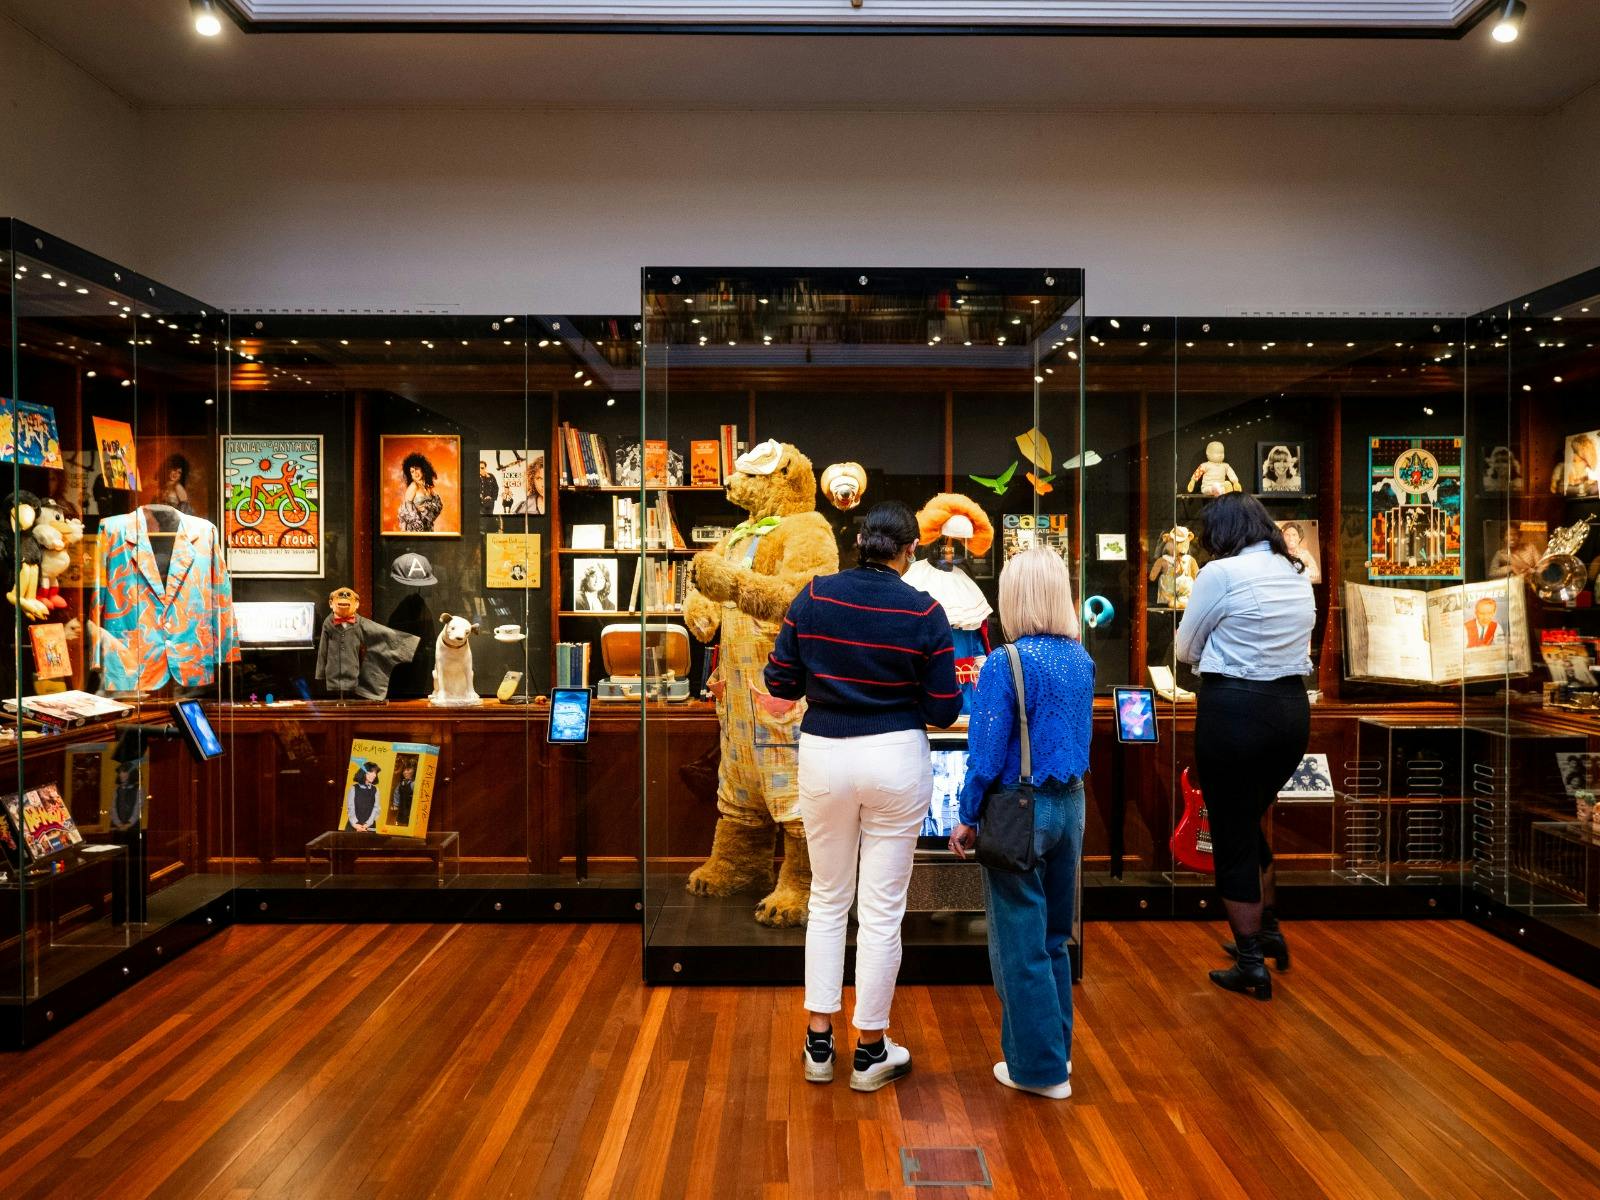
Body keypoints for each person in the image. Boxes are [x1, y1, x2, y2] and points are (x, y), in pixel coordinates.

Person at [763, 501, 962, 1092]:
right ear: (911, 551)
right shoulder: (925, 610)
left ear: (858, 542)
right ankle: (871, 1049)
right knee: (881, 911)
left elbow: (779, 681)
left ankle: (818, 1042)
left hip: (824, 752)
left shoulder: (814, 596)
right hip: (896, 757)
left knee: (827, 899)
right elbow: (944, 709)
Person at [947, 549, 1094, 1101]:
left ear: (1014, 597)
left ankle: (1039, 1071)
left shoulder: (1003, 662)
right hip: (1072, 806)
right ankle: (1057, 1052)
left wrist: (966, 816)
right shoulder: (1081, 659)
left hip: (1019, 811)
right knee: (1055, 939)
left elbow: (985, 754)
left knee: (1020, 946)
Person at [1175, 492, 1314, 1000]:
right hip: (1290, 712)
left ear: (1224, 531)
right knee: (1248, 818)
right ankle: (1269, 931)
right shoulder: (1296, 571)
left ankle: (1252, 964)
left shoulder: (1221, 573)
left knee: (1231, 833)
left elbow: (1184, 649)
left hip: (1234, 711)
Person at [398, 452, 443, 532]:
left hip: (428, 528)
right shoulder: (413, 486)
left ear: (423, 469)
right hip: (415, 530)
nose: (415, 473)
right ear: (410, 475)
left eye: (417, 469)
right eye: (412, 471)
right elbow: (406, 513)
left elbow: (437, 507)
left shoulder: (428, 487)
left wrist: (426, 509)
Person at [346, 761, 383, 832]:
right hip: (353, 825)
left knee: (370, 839)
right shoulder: (353, 788)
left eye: (375, 773)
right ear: (364, 772)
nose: (374, 775)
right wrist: (355, 824)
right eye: (371, 772)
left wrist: (367, 824)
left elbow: (376, 808)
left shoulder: (376, 790)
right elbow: (350, 808)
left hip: (370, 826)